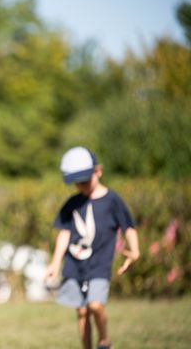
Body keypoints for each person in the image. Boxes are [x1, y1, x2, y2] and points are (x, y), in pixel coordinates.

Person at [44, 146, 140, 349]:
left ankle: (104, 340)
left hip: (100, 264)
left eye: (85, 180)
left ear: (98, 171)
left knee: (95, 305)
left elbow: (128, 227)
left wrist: (135, 251)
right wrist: (55, 262)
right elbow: (64, 233)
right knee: (81, 311)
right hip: (74, 265)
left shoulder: (112, 201)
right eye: (77, 183)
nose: (82, 186)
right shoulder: (72, 203)